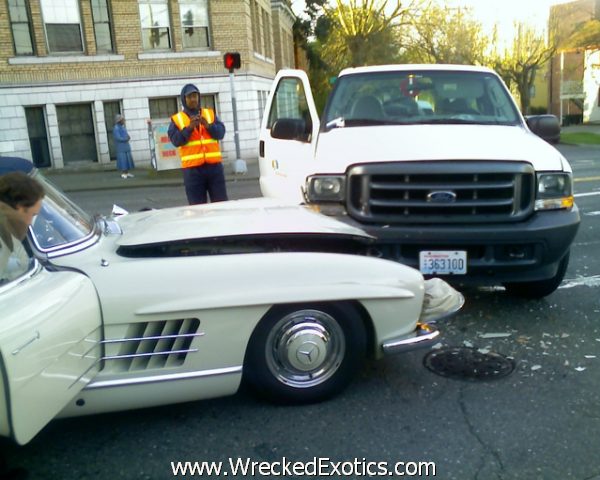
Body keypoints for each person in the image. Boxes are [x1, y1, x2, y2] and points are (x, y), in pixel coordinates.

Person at [168, 83, 227, 204]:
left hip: (214, 168)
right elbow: (176, 140)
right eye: (189, 97)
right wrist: (189, 128)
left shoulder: (209, 114)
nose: (193, 99)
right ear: (184, 99)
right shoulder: (178, 119)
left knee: (222, 205)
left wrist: (208, 126)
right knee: (197, 209)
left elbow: (220, 133)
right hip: (192, 171)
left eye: (195, 96)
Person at [0, 171, 44, 282]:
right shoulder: (4, 236)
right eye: (32, 215)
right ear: (20, 207)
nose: (30, 223)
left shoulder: (7, 231)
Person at [113, 114, 135, 179]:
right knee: (123, 160)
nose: (124, 121)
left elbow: (126, 134)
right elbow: (118, 138)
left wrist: (128, 136)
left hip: (126, 146)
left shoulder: (122, 127)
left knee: (127, 160)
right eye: (123, 120)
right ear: (119, 120)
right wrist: (126, 139)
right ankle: (123, 173)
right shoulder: (116, 128)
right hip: (121, 147)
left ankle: (126, 172)